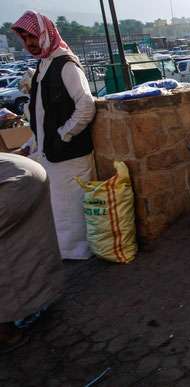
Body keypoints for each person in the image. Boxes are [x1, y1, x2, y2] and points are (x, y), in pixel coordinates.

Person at [11, 11, 96, 260]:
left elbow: (86, 106)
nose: (29, 43)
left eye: (33, 36)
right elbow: (42, 115)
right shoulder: (44, 65)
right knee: (60, 210)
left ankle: (80, 256)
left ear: (45, 35)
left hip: (70, 154)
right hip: (53, 154)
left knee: (72, 211)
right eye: (25, 38)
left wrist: (63, 136)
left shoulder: (66, 64)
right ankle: (67, 255)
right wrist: (31, 143)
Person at [0, 154, 64, 354]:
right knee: (28, 241)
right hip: (28, 173)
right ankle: (41, 299)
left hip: (15, 184)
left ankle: (7, 333)